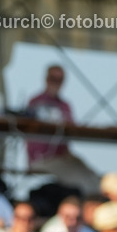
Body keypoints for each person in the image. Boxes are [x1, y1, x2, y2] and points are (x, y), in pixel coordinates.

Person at [25, 65, 100, 196]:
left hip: (63, 156)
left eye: (59, 79)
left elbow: (72, 129)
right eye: (53, 78)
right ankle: (89, 204)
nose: (56, 82)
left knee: (91, 174)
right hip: (44, 159)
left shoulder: (65, 105)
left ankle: (99, 199)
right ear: (46, 79)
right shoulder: (35, 102)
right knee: (81, 180)